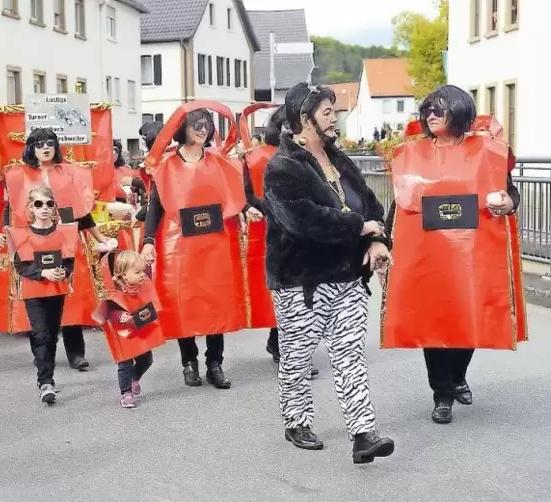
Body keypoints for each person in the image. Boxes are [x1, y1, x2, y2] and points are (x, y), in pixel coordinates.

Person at [263, 83, 394, 464]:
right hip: (301, 282)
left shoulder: (340, 159)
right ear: (305, 120)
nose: (333, 117)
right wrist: (359, 227)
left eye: (333, 111)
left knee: (350, 354)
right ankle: (296, 419)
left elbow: (371, 204)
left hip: (349, 279)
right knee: (297, 356)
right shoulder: (282, 167)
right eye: (326, 112)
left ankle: (363, 434)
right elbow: (302, 221)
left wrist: (378, 241)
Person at [382, 85, 525, 425]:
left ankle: (458, 374)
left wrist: (508, 203)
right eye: (428, 109)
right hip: (427, 257)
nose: (431, 114)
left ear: (459, 110)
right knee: (432, 322)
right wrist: (386, 243)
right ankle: (441, 394)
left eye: (439, 109)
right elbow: (400, 204)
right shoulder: (413, 153)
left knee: (468, 317)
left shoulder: (486, 151)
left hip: (471, 256)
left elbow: (509, 192)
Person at [142, 104, 246, 390]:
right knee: (182, 303)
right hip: (178, 246)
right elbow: (156, 207)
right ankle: (189, 361)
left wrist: (247, 210)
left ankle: (216, 362)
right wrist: (148, 241)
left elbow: (235, 195)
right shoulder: (166, 166)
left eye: (206, 125)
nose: (202, 130)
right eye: (196, 125)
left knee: (217, 300)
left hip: (215, 244)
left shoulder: (219, 161)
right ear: (183, 128)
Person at [0, 128, 115, 371]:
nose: (45, 147)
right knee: (38, 295)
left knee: (71, 297)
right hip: (34, 243)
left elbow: (81, 212)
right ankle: (42, 351)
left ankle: (76, 354)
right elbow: (9, 208)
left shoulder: (68, 172)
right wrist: (4, 233)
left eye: (50, 142)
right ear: (31, 147)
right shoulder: (19, 175)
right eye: (39, 143)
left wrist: (100, 237)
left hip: (66, 244)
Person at [241, 106, 320, 378]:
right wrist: (274, 208)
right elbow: (246, 195)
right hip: (268, 232)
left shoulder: (305, 156)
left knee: (300, 293)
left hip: (300, 231)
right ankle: (287, 348)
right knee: (283, 292)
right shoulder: (252, 158)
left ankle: (284, 345)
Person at [7, 185, 78, 405]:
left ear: (54, 206)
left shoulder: (64, 233)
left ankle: (46, 373)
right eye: (38, 204)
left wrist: (61, 272)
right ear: (31, 208)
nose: (44, 208)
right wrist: (43, 273)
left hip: (56, 291)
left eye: (48, 203)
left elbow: (69, 261)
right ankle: (45, 381)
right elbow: (20, 266)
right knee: (41, 334)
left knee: (51, 334)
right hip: (33, 292)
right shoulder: (22, 236)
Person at [93, 251, 165, 409]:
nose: (142, 275)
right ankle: (126, 393)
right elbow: (111, 309)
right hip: (123, 334)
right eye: (138, 272)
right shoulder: (116, 292)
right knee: (125, 363)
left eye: (142, 271)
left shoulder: (143, 286)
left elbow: (150, 303)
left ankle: (134, 378)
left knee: (147, 359)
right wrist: (121, 316)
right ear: (124, 275)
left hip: (140, 331)